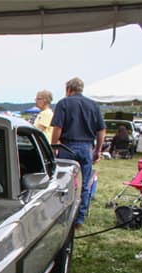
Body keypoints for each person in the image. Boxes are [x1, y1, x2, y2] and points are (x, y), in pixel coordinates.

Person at [50, 77, 105, 230]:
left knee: (61, 183)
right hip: (86, 147)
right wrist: (97, 150)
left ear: (68, 89)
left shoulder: (64, 103)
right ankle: (79, 220)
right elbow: (101, 130)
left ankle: (61, 215)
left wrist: (54, 147)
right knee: (85, 184)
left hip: (67, 147)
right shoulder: (93, 105)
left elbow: (57, 128)